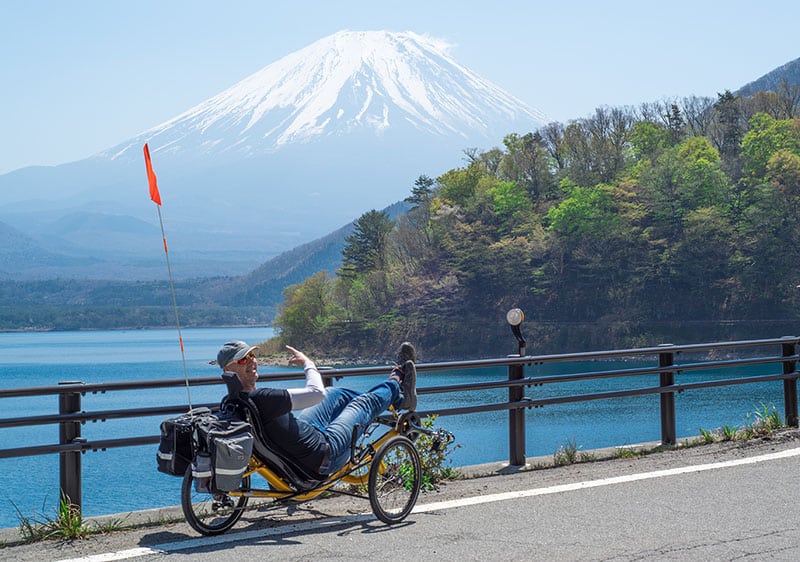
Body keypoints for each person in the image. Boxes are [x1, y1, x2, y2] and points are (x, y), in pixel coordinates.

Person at [215, 340, 417, 477]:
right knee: (362, 404)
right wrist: (308, 363)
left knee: (334, 394)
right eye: (243, 359)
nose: (252, 361)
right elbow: (315, 393)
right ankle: (398, 377)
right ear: (228, 370)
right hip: (325, 454)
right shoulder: (263, 398)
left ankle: (395, 400)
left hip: (303, 446)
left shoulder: (231, 402)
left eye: (252, 355)